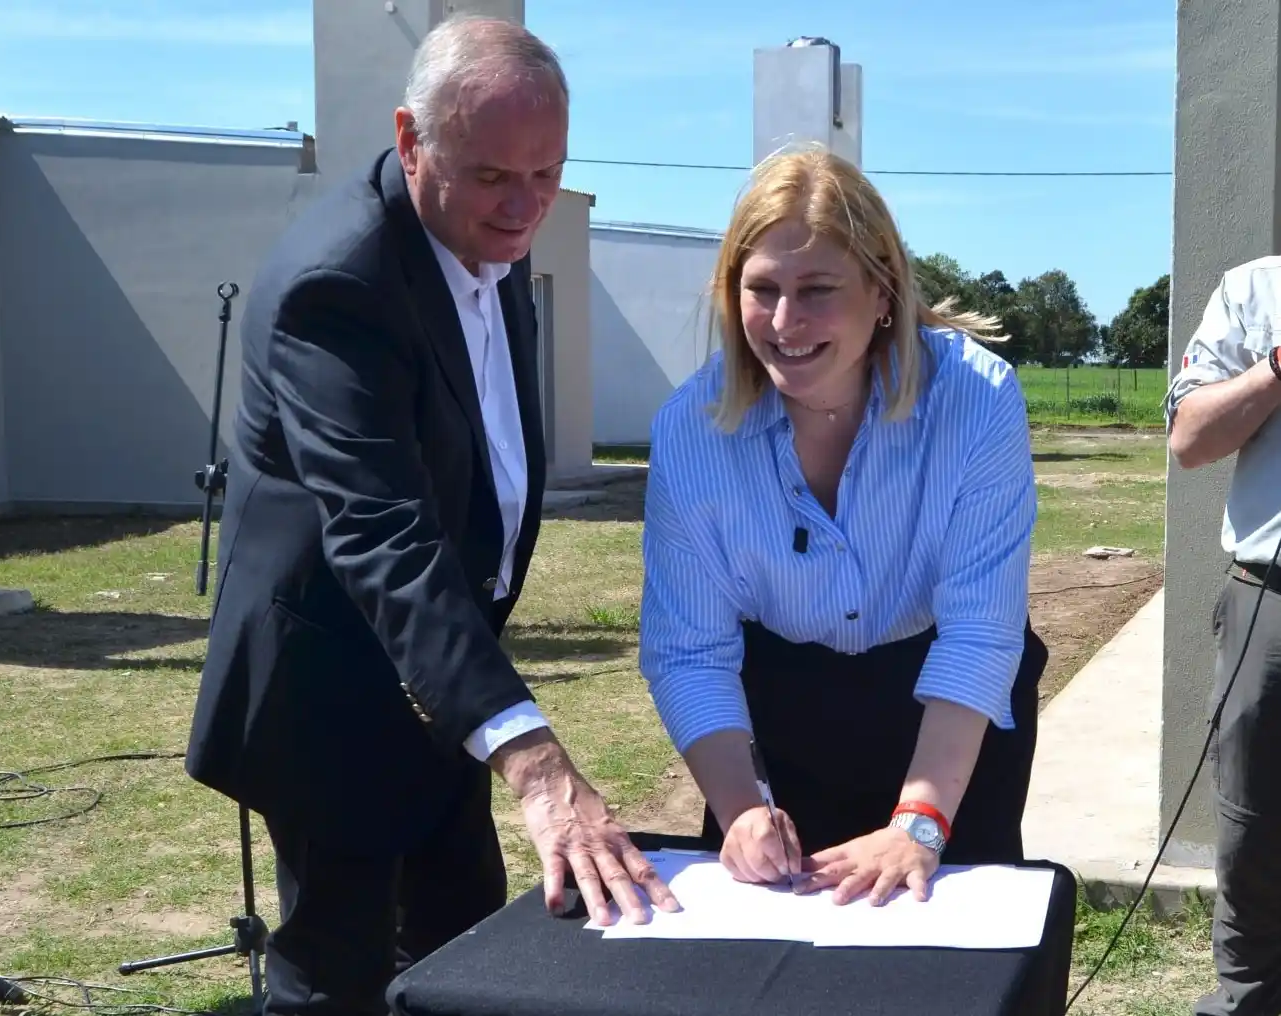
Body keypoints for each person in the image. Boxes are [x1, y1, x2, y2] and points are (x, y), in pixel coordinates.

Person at [183, 15, 675, 1016]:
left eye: (547, 174)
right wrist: (535, 762)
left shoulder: (487, 235)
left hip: (447, 682)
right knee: (338, 975)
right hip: (328, 691)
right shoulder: (339, 286)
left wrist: (487, 711)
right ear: (411, 139)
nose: (524, 206)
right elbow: (381, 530)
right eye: (493, 175)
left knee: (463, 949)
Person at [638, 146, 1049, 907]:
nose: (784, 322)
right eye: (761, 289)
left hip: (947, 710)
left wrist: (921, 822)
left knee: (941, 934)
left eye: (817, 290)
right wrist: (742, 811)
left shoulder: (976, 399)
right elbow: (690, 650)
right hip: (783, 702)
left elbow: (979, 634)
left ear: (882, 290)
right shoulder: (690, 429)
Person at [1165, 255, 1281, 1016]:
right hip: (1270, 601)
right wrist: (1276, 366)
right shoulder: (1254, 290)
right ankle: (1247, 999)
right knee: (1253, 823)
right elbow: (1190, 441)